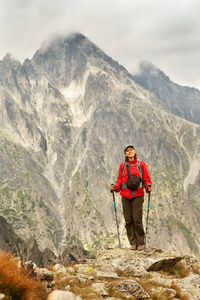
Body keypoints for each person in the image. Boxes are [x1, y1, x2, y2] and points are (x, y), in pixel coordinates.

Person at [110, 144, 152, 250]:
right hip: (125, 195)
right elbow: (120, 179)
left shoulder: (141, 165)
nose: (129, 152)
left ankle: (140, 242)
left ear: (134, 152)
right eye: (127, 150)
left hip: (138, 195)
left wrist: (148, 187)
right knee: (128, 220)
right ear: (125, 154)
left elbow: (146, 178)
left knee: (137, 219)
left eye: (131, 150)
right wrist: (115, 188)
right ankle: (133, 243)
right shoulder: (122, 166)